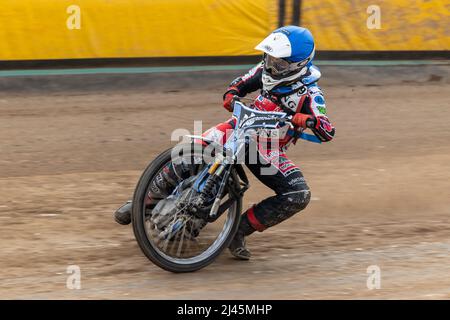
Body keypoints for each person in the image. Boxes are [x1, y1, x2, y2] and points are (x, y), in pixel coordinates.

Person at [114, 26, 335, 260]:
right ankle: (143, 201)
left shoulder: (311, 93)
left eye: (279, 64)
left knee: (299, 194)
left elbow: (327, 130)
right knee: (190, 152)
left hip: (267, 148)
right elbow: (240, 83)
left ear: (298, 65)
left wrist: (309, 120)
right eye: (270, 59)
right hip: (238, 129)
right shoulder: (265, 69)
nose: (271, 66)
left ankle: (238, 231)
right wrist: (231, 94)